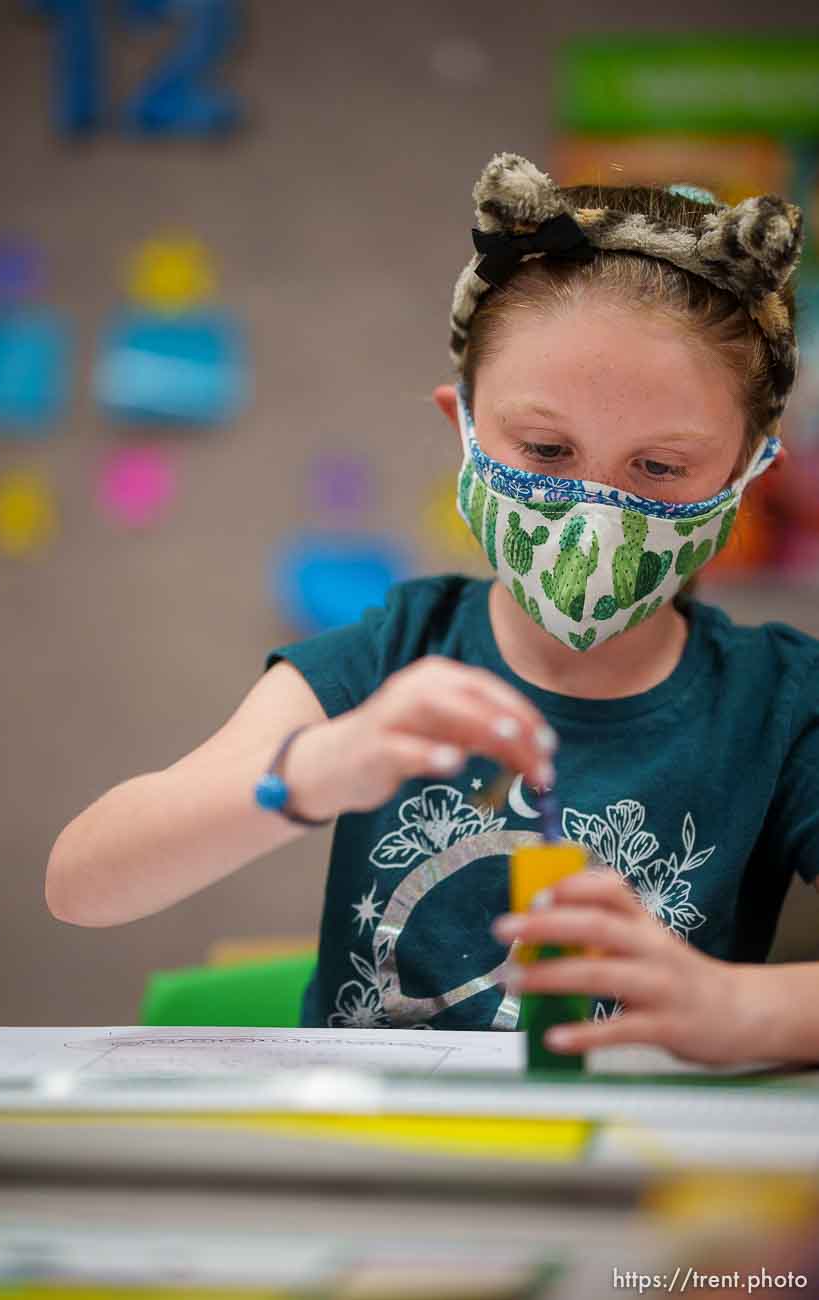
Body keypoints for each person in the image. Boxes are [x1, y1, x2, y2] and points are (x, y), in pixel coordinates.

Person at [46, 153, 819, 1064]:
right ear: (462, 424)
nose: (595, 511)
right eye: (543, 448)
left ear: (745, 474)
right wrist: (308, 771)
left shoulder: (781, 702)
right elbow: (82, 883)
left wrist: (747, 1007)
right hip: (374, 1181)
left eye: (658, 467)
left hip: (632, 1183)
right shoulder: (389, 657)